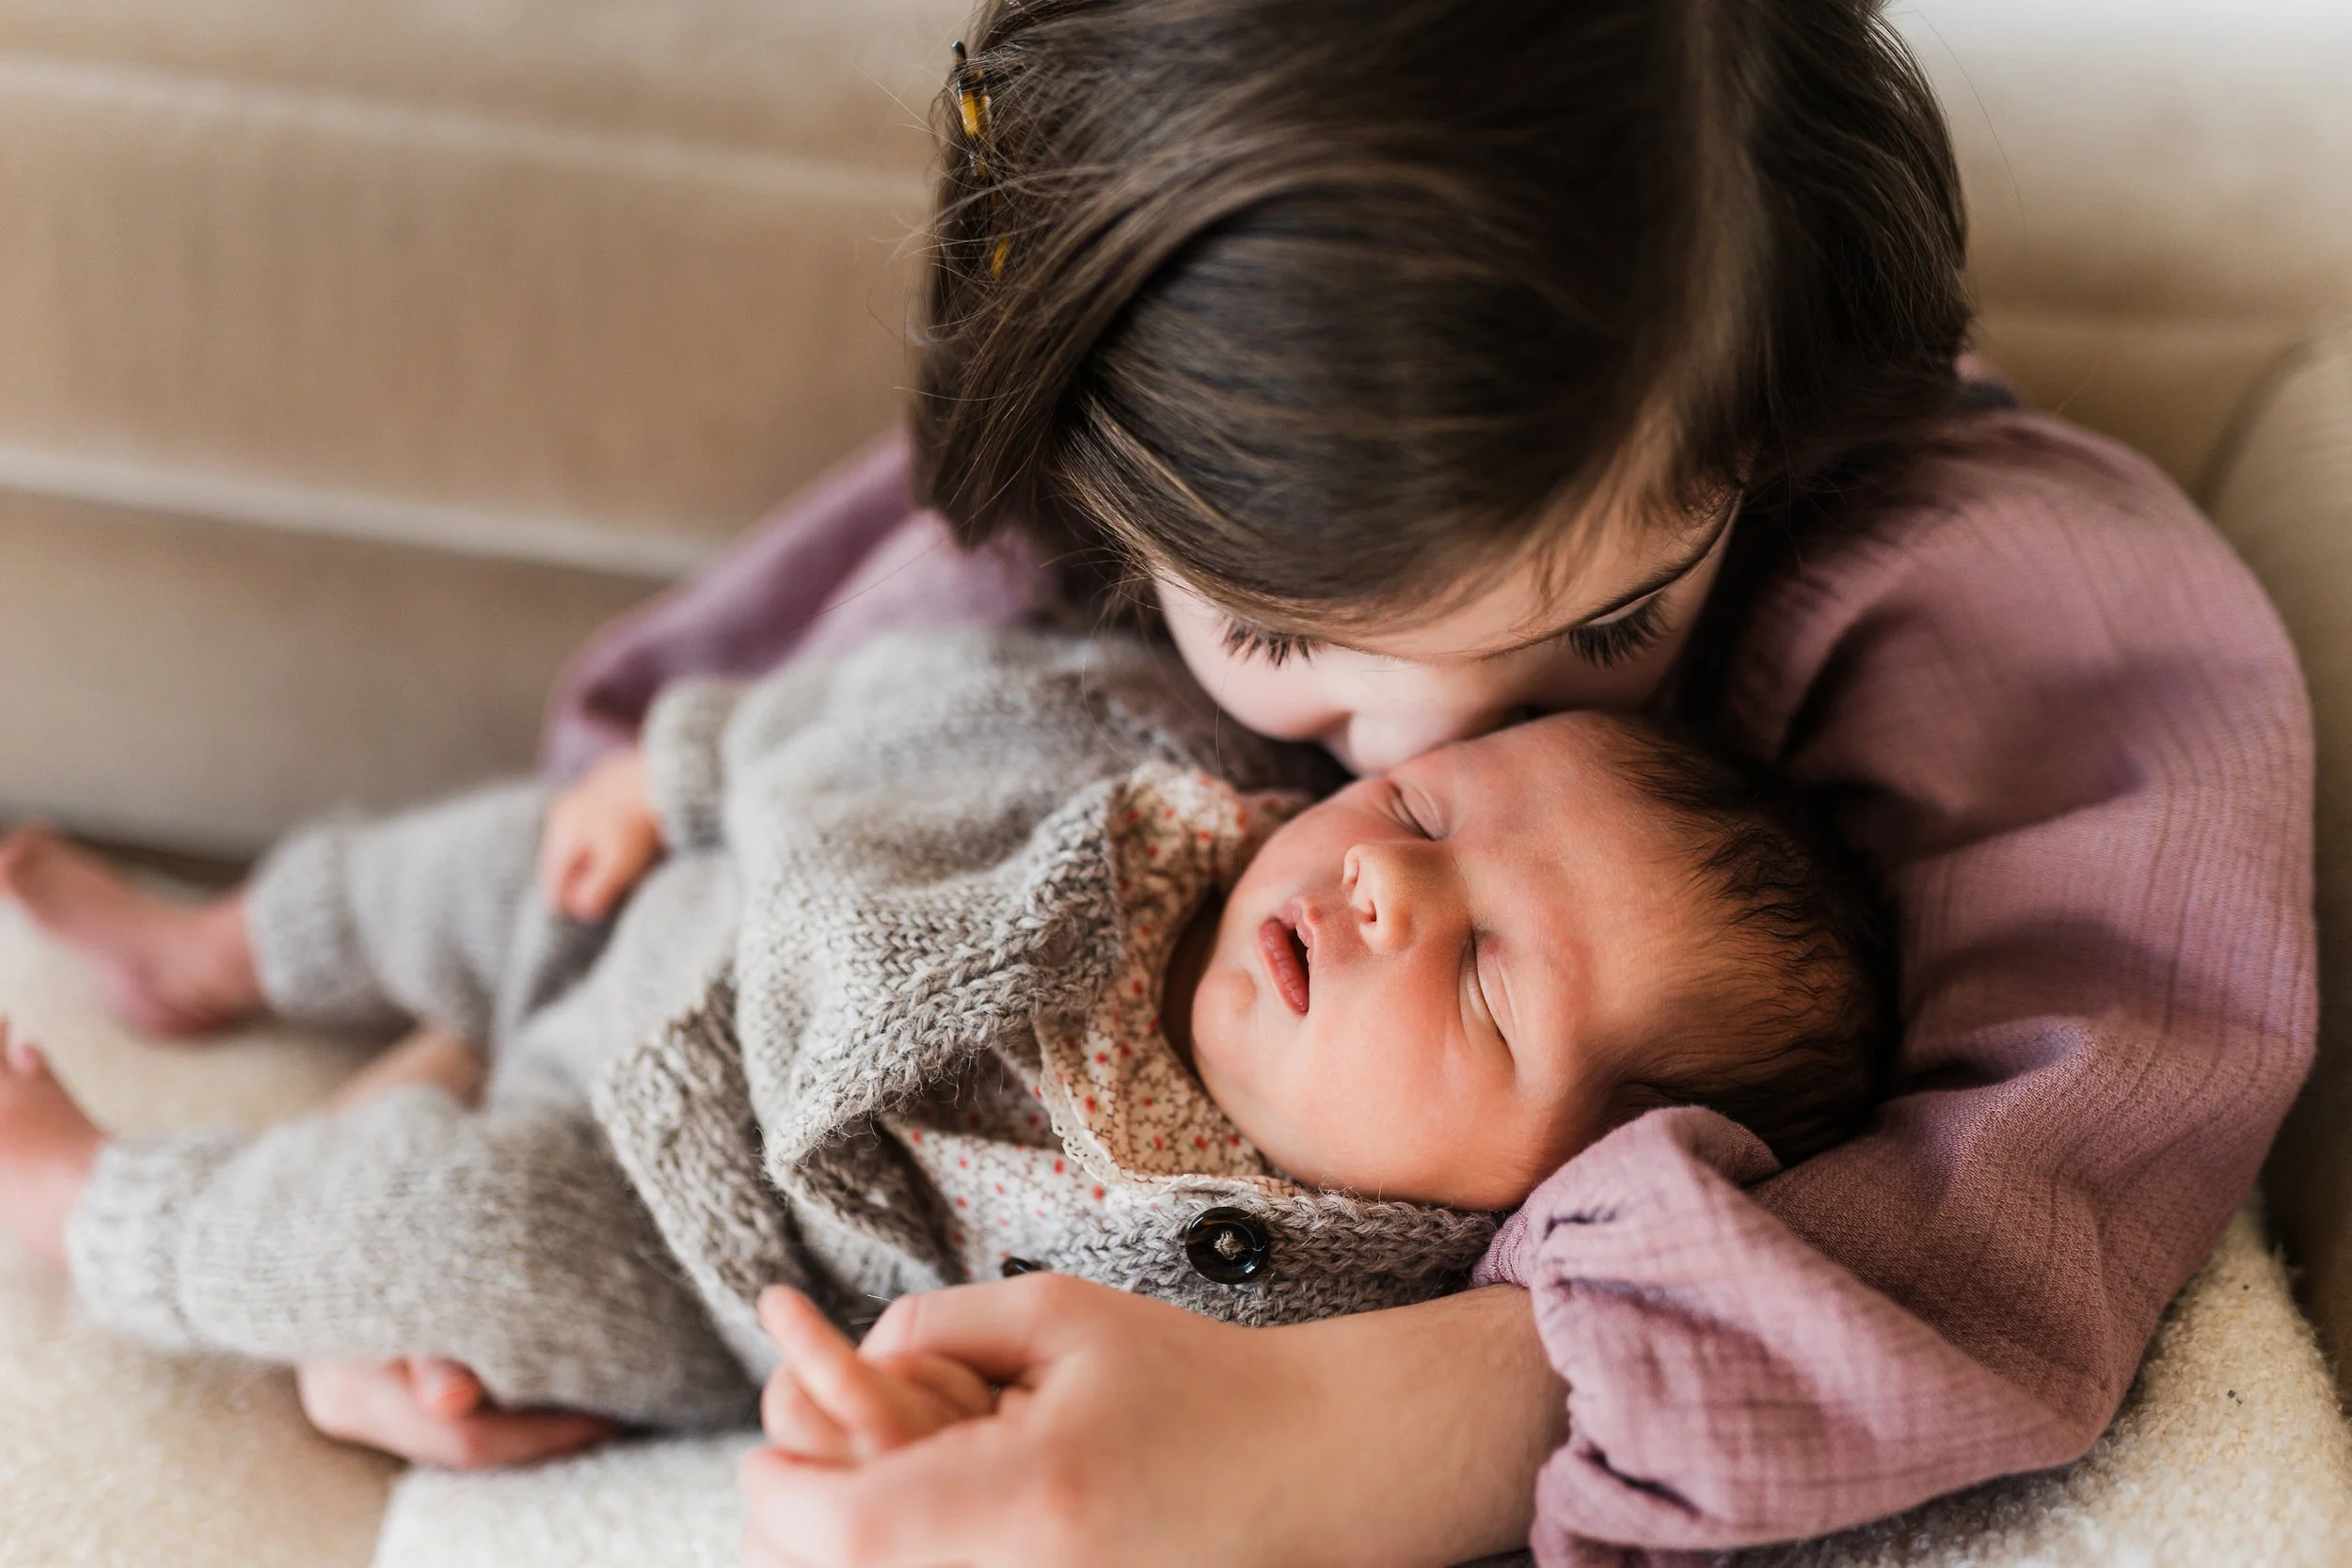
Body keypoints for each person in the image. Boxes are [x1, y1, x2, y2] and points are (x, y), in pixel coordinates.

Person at [79, 0, 2315, 1560]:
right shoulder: (1093, 480)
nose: (1425, 769)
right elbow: (743, 774)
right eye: (1271, 644)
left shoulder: (2002, 606)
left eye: (1612, 620)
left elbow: (2034, 1192)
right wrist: (474, 1090)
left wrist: (1349, 1434)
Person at [0, 629, 1890, 1433]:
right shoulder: (1147, 776)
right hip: (709, 907)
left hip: (685, 1217)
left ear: (1554, 1177)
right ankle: (219, 951)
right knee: (505, 863)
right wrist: (683, 765)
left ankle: (102, 1204)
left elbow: (1046, 1437)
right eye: (1419, 811)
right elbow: (908, 703)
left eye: (1484, 981)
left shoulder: (1311, 1324)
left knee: (448, 1241)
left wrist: (903, 1418)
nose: (1390, 890)